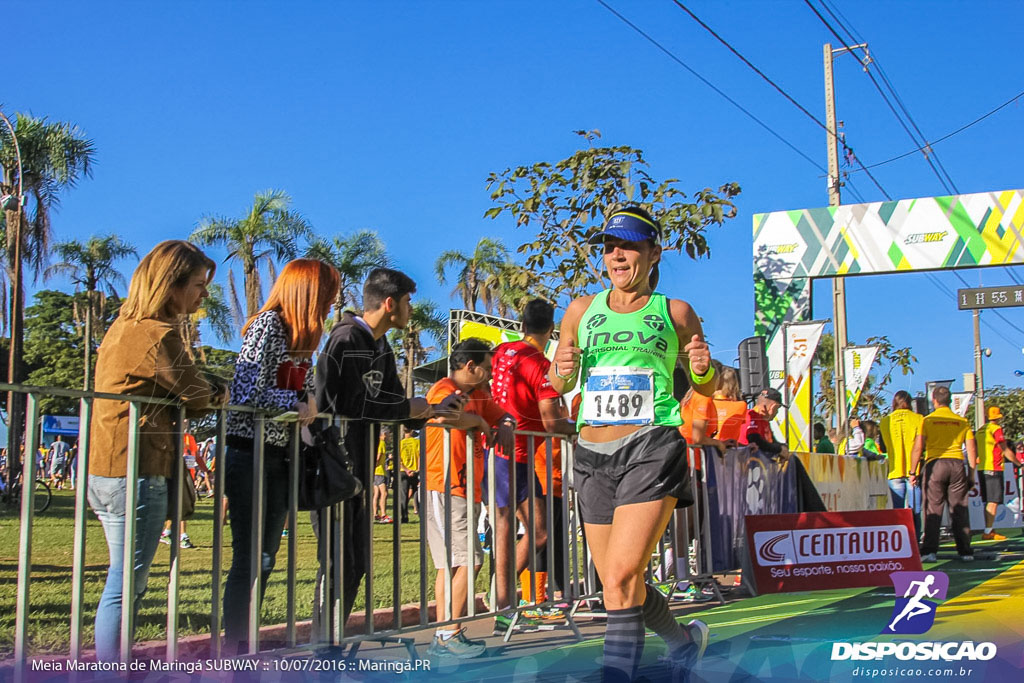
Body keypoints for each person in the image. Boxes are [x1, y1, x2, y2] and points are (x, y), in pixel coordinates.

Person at [550, 207, 711, 681]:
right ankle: (683, 642)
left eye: (628, 246)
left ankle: (616, 675)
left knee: (621, 577)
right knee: (616, 585)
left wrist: (701, 364)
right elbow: (560, 384)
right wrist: (560, 366)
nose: (616, 255)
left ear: (654, 253)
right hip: (592, 453)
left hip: (651, 445)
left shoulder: (675, 311)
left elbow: (701, 382)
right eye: (609, 247)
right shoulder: (580, 310)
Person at [87, 240, 228, 661]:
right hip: (136, 470)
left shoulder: (122, 327)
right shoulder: (156, 334)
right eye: (199, 285)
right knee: (127, 585)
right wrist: (216, 389)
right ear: (172, 285)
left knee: (124, 581)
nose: (204, 295)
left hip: (110, 468)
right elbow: (196, 393)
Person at [313, 267, 466, 631]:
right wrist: (403, 409)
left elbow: (394, 402)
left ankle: (329, 644)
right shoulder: (347, 338)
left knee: (356, 564)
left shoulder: (382, 346)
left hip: (360, 469)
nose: (411, 310)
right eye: (408, 302)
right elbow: (343, 404)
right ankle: (319, 647)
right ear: (389, 303)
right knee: (336, 562)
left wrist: (431, 411)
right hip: (332, 464)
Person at [221, 258, 337, 654]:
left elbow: (302, 394)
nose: (331, 301)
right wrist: (296, 400)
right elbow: (245, 393)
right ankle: (237, 650)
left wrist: (304, 403)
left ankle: (247, 644)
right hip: (248, 452)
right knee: (249, 559)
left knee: (267, 557)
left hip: (280, 454)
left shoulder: (301, 338)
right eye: (327, 293)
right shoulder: (266, 325)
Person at [424, 338, 514, 658]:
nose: (490, 375)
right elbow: (444, 415)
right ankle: (448, 634)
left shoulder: (478, 393)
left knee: (455, 563)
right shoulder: (443, 388)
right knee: (465, 560)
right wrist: (476, 421)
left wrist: (502, 422)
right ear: (470, 366)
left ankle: (446, 634)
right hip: (446, 486)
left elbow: (502, 415)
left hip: (466, 489)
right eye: (487, 369)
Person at [488, 299, 575, 630]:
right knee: (518, 528)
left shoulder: (501, 352)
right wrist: (582, 425)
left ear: (521, 324)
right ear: (551, 331)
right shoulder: (540, 364)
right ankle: (503, 605)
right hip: (514, 454)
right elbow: (553, 423)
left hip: (507, 452)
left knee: (535, 530)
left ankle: (505, 602)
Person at [910, 386, 977, 563]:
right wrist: (971, 475)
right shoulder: (962, 421)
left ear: (934, 401)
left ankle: (930, 551)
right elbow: (971, 450)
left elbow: (918, 447)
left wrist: (912, 471)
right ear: (949, 401)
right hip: (956, 464)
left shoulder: (927, 420)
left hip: (935, 464)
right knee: (959, 509)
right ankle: (965, 551)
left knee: (933, 509)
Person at [880, 391, 924, 538]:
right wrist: (913, 471)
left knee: (897, 512)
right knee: (915, 510)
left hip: (894, 470)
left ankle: (899, 541)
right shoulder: (918, 419)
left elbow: (884, 447)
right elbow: (919, 446)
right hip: (913, 470)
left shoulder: (885, 421)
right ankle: (915, 541)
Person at [974, 406, 1017, 541]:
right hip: (994, 467)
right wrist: (1019, 463)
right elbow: (1004, 448)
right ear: (998, 417)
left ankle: (989, 529)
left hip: (982, 467)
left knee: (988, 501)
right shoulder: (996, 429)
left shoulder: (981, 430)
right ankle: (988, 531)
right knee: (993, 501)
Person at [740, 388, 789, 459]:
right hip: (748, 463)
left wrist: (783, 448)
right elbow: (755, 440)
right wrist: (779, 449)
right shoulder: (752, 416)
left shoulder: (764, 420)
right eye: (777, 408)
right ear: (772, 407)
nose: (777, 412)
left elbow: (771, 441)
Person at [711, 364, 746, 443]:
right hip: (731, 449)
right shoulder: (741, 405)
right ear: (735, 385)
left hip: (709, 448)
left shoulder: (707, 403)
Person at [398, 427, 420, 522]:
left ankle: (404, 516)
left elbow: (398, 459)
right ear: (411, 431)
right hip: (415, 471)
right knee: (416, 493)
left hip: (403, 471)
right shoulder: (416, 442)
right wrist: (417, 469)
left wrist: (406, 469)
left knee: (404, 494)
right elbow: (420, 456)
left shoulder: (400, 443)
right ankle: (419, 513)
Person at [373, 431, 393, 524]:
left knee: (376, 494)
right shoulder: (381, 443)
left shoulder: (376, 442)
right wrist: (375, 465)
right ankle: (384, 515)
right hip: (380, 472)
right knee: (384, 493)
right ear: (384, 434)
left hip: (376, 472)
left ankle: (375, 514)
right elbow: (378, 457)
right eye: (388, 434)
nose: (389, 436)